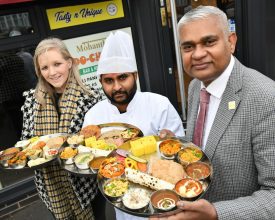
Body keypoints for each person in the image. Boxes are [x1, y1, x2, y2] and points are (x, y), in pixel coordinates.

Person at [151, 5, 275, 220]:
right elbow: (206, 143)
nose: (198, 54)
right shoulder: (195, 86)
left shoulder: (266, 98)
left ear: (231, 42)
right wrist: (179, 145)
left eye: (209, 42)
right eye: (188, 46)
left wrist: (217, 213)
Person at [83, 30, 185, 220]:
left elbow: (180, 152)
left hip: (165, 204)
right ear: (100, 82)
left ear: (135, 75)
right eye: (109, 81)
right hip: (122, 204)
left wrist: (174, 140)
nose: (116, 87)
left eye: (123, 77)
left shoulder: (159, 104)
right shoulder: (93, 116)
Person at [21, 37, 101, 219]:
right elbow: (27, 142)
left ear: (69, 63)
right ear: (39, 71)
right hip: (51, 186)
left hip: (86, 185)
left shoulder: (91, 97)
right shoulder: (31, 102)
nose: (52, 72)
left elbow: (100, 144)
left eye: (57, 64)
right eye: (45, 67)